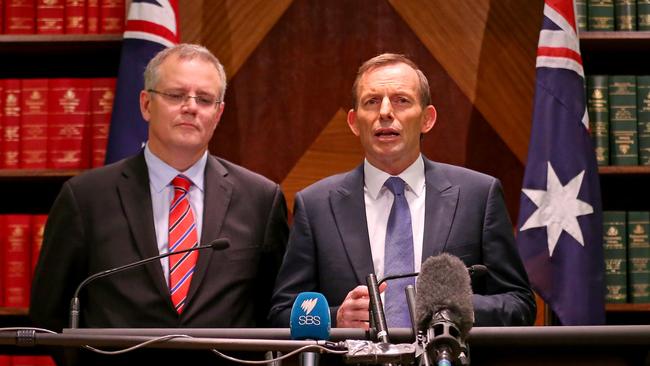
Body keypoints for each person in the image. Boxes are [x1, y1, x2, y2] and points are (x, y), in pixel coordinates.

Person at [30, 44, 288, 364]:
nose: (191, 107)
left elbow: (275, 310)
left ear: (218, 113)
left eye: (204, 99)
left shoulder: (260, 199)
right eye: (176, 95)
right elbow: (49, 314)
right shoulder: (85, 198)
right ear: (146, 104)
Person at [269, 53, 535, 329]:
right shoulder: (316, 206)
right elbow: (280, 313)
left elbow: (520, 305)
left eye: (401, 100)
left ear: (427, 119)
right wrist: (334, 318)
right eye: (371, 102)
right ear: (353, 122)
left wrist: (458, 309)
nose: (384, 112)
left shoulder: (478, 196)